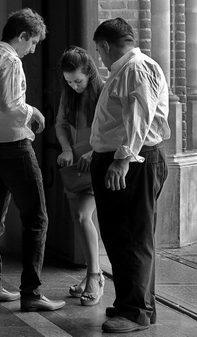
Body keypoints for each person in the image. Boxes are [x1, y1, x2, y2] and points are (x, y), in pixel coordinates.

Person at [0, 8, 63, 311]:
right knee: (37, 219)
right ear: (22, 36)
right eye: (33, 42)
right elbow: (11, 105)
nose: (33, 49)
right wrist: (34, 112)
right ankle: (32, 294)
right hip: (14, 148)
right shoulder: (9, 61)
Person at [90, 18, 170, 334]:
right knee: (124, 235)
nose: (100, 56)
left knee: (131, 237)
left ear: (107, 45)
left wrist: (122, 160)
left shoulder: (135, 68)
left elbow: (139, 118)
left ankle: (135, 310)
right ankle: (135, 304)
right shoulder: (129, 68)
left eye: (99, 50)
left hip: (133, 163)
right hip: (127, 159)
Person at [54, 46, 105, 307]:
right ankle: (90, 275)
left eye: (78, 81)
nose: (74, 86)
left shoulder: (103, 91)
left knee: (84, 216)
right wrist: (65, 149)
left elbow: (112, 128)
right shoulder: (69, 95)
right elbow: (60, 124)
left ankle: (95, 277)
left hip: (97, 163)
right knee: (79, 218)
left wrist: (94, 153)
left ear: (89, 74)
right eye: (69, 82)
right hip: (75, 166)